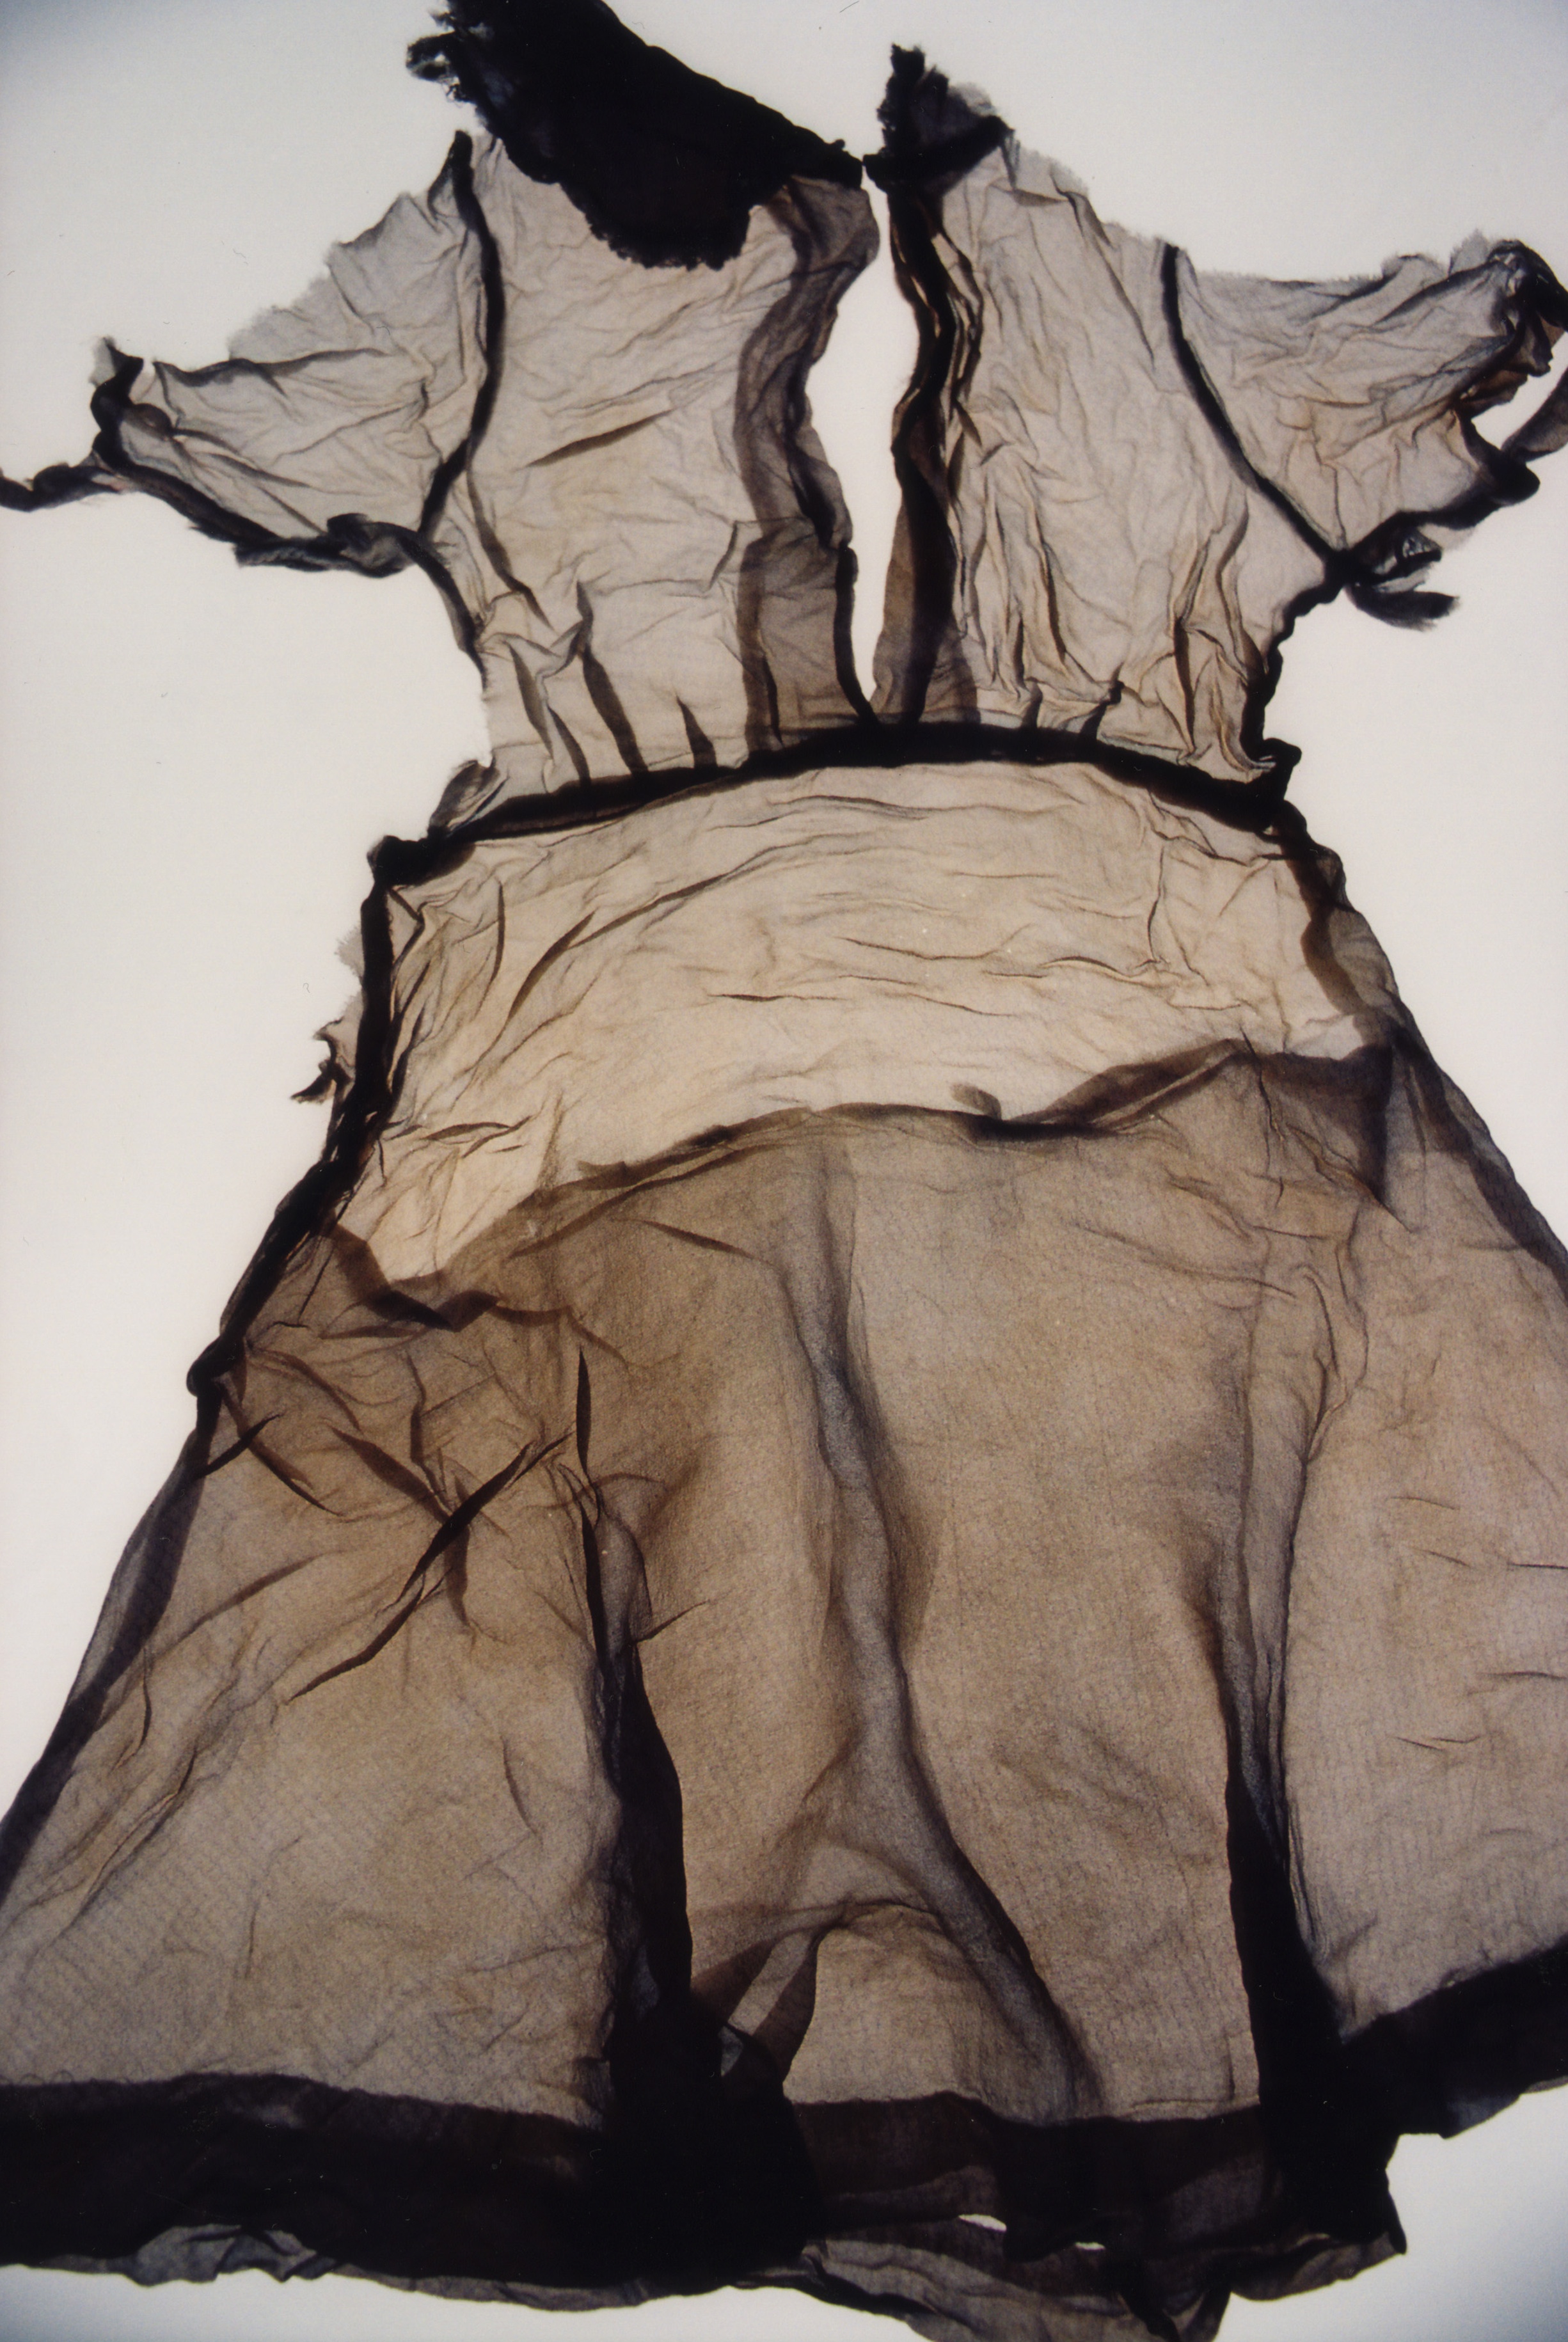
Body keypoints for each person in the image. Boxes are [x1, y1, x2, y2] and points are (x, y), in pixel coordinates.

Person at [0, 6, 1564, 2338]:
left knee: (970, 1681)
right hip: (731, 1168)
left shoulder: (1108, 360)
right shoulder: (530, 313)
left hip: (974, 1189)